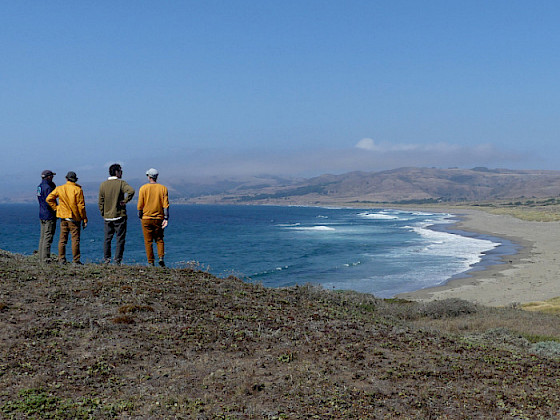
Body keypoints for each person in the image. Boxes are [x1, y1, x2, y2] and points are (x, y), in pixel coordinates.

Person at [46, 171, 88, 265]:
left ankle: (61, 259)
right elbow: (81, 207)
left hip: (63, 217)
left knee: (62, 239)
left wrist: (56, 208)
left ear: (66, 179)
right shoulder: (78, 190)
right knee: (75, 240)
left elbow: (49, 198)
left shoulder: (60, 188)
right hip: (74, 218)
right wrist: (84, 218)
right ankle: (76, 260)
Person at [98, 164, 135, 264]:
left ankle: (106, 259)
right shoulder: (121, 183)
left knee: (107, 239)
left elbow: (100, 202)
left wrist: (103, 213)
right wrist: (126, 200)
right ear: (117, 172)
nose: (122, 173)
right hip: (119, 215)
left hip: (107, 216)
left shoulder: (103, 185)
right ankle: (117, 260)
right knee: (120, 239)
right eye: (120, 171)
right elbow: (131, 191)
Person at [137, 168, 169, 267]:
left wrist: (140, 215)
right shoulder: (163, 188)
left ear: (148, 177)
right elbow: (166, 205)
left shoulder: (143, 188)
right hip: (159, 217)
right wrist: (166, 218)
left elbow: (140, 205)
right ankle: (161, 257)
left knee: (148, 241)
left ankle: (151, 262)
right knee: (159, 239)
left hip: (146, 218)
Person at [37, 170, 57, 262]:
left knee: (42, 236)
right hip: (49, 214)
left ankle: (41, 256)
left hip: (42, 213)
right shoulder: (48, 187)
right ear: (48, 177)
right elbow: (50, 201)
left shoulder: (39, 187)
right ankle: (45, 258)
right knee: (48, 236)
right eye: (51, 176)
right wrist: (56, 209)